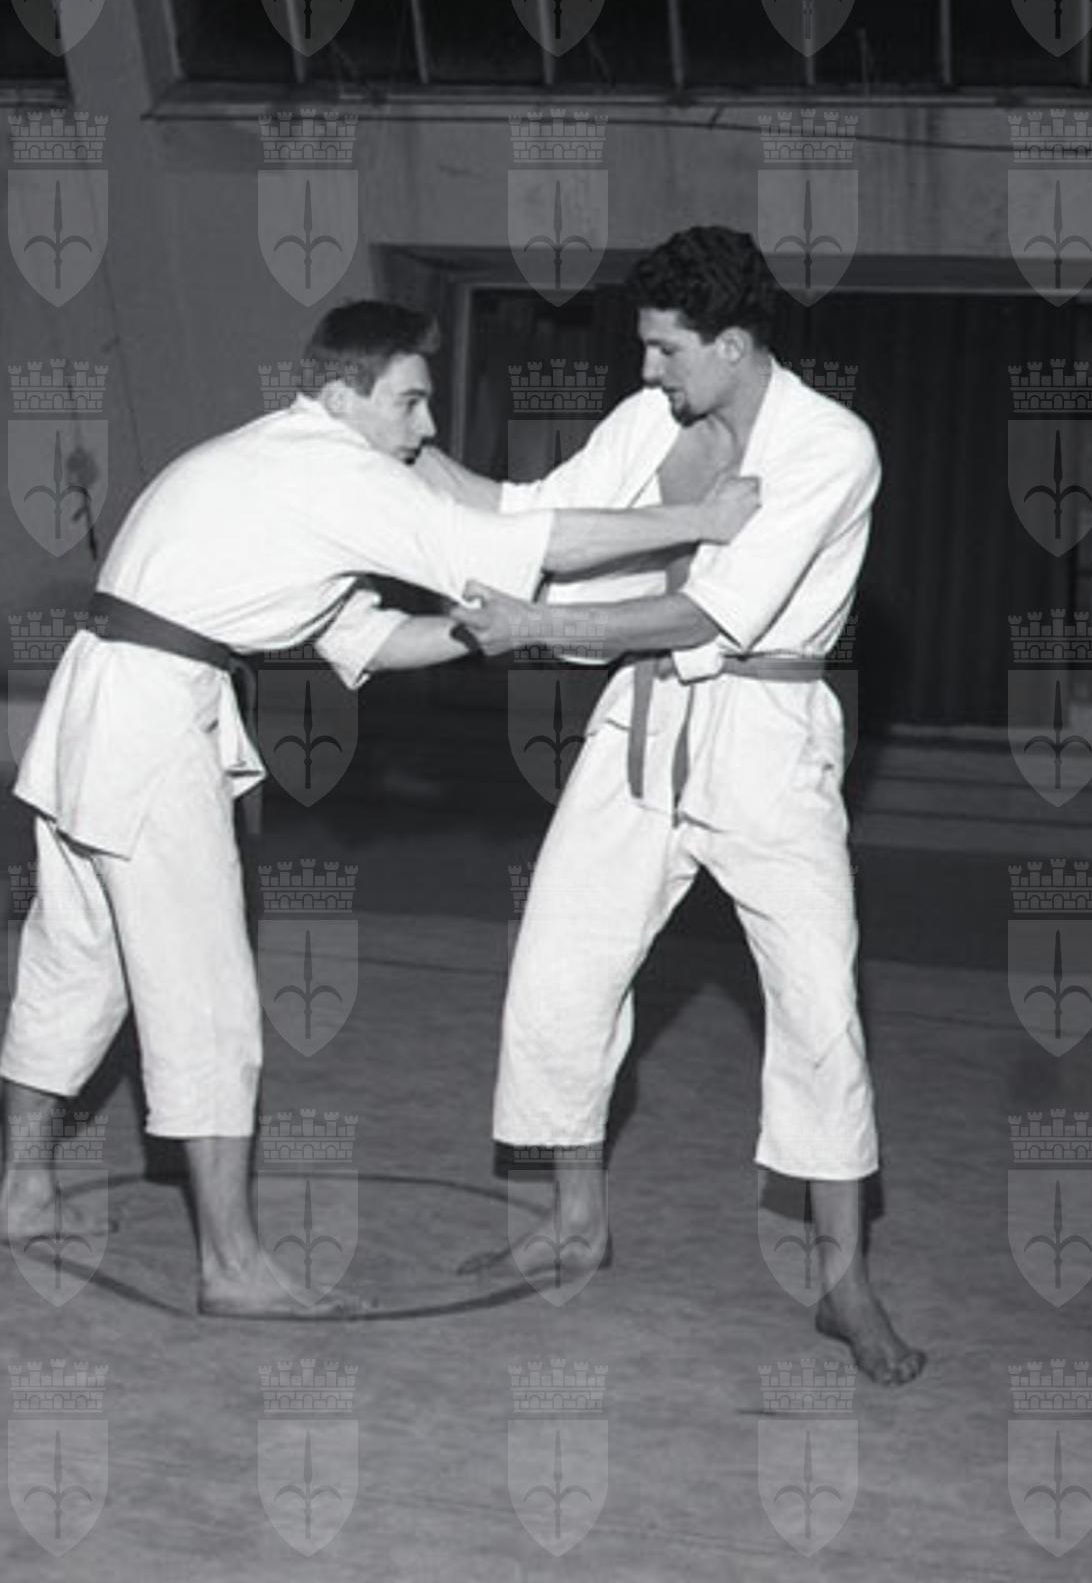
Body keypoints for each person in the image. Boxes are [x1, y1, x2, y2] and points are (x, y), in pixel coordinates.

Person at [0, 299, 760, 1319]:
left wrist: (507, 629)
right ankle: (230, 1266)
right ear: (342, 395)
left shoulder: (267, 464)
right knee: (205, 998)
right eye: (408, 402)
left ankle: (24, 1188)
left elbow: (366, 636)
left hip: (99, 706)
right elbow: (520, 539)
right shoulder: (334, 472)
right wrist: (699, 521)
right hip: (147, 726)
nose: (425, 428)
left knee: (75, 962)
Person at [429, 227, 924, 1385]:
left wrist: (536, 625)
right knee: (560, 965)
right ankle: (575, 1220)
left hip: (767, 734)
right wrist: (401, 456)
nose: (647, 368)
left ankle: (844, 1280)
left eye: (666, 348)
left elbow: (712, 611)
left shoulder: (828, 446)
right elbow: (531, 515)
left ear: (733, 342)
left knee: (817, 1003)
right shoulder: (647, 421)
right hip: (639, 723)